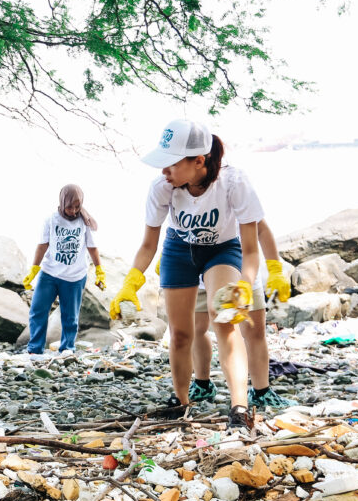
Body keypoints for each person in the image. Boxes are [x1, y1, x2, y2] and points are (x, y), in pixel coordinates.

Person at [109, 119, 264, 431]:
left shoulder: (234, 183)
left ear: (198, 161)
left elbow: (250, 249)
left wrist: (245, 285)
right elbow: (148, 244)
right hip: (179, 249)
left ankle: (239, 409)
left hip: (223, 249)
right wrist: (130, 283)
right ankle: (182, 405)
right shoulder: (162, 187)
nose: (164, 172)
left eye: (170, 164)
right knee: (180, 333)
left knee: (224, 321)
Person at [190, 220, 296, 409]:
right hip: (198, 267)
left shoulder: (237, 191)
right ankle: (202, 384)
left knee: (254, 331)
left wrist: (275, 269)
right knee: (196, 328)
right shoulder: (188, 193)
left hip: (244, 269)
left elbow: (262, 228)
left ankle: (261, 391)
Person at [22, 184, 105, 355]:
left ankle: (67, 348)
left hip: (75, 277)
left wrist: (99, 271)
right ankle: (35, 349)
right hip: (49, 274)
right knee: (37, 311)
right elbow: (43, 245)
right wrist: (34, 269)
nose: (73, 211)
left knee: (70, 317)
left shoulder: (85, 222)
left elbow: (92, 247)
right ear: (62, 202)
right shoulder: (51, 220)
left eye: (77, 206)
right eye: (69, 206)